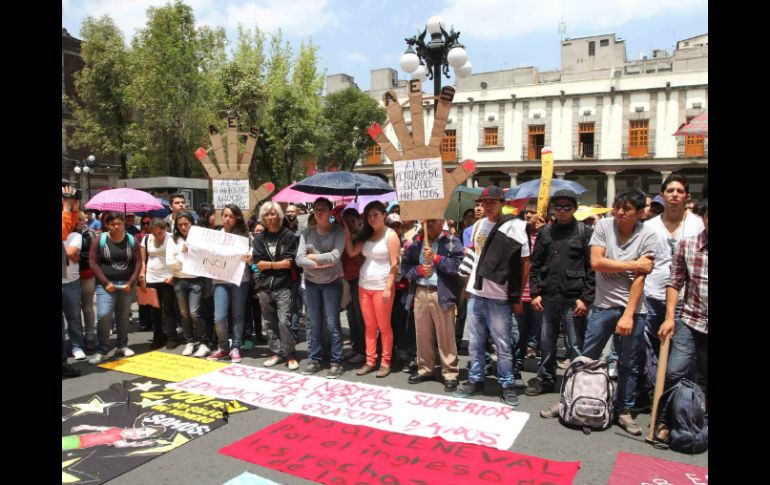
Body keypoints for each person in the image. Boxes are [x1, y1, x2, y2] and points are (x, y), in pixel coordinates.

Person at [579, 187, 657, 435]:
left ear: (640, 213)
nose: (620, 212)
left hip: (634, 309)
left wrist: (628, 314)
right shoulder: (604, 226)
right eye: (617, 207)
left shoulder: (648, 235)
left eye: (627, 209)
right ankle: (575, 399)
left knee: (629, 364)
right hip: (603, 306)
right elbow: (596, 262)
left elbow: (640, 280)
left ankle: (624, 410)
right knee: (587, 357)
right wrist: (633, 264)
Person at [453, 186, 529, 407]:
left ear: (502, 202)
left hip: (500, 295)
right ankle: (476, 379)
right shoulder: (477, 225)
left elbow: (525, 263)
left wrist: (517, 297)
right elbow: (473, 258)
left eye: (491, 202)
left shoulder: (514, 226)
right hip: (477, 293)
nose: (486, 206)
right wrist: (467, 290)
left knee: (502, 343)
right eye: (483, 202)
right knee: (475, 342)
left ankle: (507, 384)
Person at [525, 190, 595, 396]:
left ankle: (578, 384)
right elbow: (535, 265)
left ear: (574, 209)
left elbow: (592, 269)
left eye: (567, 207)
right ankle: (546, 377)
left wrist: (586, 299)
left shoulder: (585, 231)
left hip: (574, 299)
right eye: (558, 207)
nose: (562, 211)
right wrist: (535, 293)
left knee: (575, 344)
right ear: (552, 209)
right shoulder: (545, 232)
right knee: (546, 342)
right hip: (548, 297)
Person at [642, 174, 703, 400]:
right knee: (649, 348)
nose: (675, 195)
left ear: (687, 196)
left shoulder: (697, 224)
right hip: (652, 295)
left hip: (686, 300)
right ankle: (651, 392)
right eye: (670, 191)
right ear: (663, 194)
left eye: (679, 191)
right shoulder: (649, 226)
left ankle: (678, 400)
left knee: (681, 355)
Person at [653, 199, 708, 442]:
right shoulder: (688, 245)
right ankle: (665, 419)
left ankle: (697, 422)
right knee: (674, 372)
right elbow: (675, 283)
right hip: (691, 320)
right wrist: (669, 318)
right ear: (703, 218)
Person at [402, 218, 464, 392]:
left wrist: (437, 259)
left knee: (446, 335)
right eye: (426, 221)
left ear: (441, 221)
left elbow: (459, 267)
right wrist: (419, 271)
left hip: (441, 293)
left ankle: (450, 372)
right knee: (422, 334)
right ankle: (425, 369)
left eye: (433, 221)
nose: (428, 224)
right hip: (421, 291)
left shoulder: (452, 241)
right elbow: (405, 267)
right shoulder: (416, 242)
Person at [343, 201, 401, 378]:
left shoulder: (390, 235)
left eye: (375, 214)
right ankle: (370, 361)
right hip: (364, 286)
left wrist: (388, 288)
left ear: (384, 215)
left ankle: (385, 362)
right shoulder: (366, 234)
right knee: (369, 326)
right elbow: (352, 252)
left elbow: (395, 264)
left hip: (382, 286)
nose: (372, 218)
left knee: (384, 327)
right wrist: (346, 229)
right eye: (369, 215)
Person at [296, 197, 346, 379]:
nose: (319, 212)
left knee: (333, 323)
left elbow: (335, 257)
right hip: (311, 283)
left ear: (330, 211)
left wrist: (313, 258)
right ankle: (315, 358)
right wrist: (320, 262)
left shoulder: (338, 231)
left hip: (332, 283)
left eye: (323, 209)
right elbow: (299, 259)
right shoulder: (306, 232)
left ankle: (337, 361)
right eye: (316, 209)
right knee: (314, 323)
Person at [88, 212, 142, 364]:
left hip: (126, 284)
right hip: (106, 285)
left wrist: (131, 283)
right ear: (107, 225)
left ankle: (122, 345)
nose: (116, 227)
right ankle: (102, 349)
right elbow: (93, 262)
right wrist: (106, 282)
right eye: (113, 224)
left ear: (124, 224)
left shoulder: (131, 240)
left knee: (123, 316)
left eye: (119, 224)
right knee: (104, 315)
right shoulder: (100, 240)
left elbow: (138, 262)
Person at [253, 202, 300, 370]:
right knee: (269, 322)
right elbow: (258, 264)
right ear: (262, 218)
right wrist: (274, 264)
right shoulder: (259, 238)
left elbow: (288, 263)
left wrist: (269, 264)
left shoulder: (288, 236)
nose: (270, 217)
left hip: (284, 285)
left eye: (273, 214)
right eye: (266, 214)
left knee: (284, 321)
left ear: (279, 216)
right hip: (265, 287)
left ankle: (290, 354)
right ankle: (275, 352)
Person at [205, 205, 254, 363]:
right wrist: (189, 250)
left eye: (230, 216)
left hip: (240, 280)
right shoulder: (215, 236)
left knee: (238, 314)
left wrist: (250, 256)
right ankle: (223, 347)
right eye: (224, 215)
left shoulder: (246, 236)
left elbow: (254, 252)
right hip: (220, 280)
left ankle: (236, 347)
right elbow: (203, 251)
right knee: (219, 317)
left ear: (237, 218)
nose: (227, 219)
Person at [166, 210, 211, 358]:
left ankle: (203, 342)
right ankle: (189, 341)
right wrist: (182, 254)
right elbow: (171, 263)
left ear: (192, 223)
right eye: (180, 225)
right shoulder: (173, 240)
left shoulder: (200, 239)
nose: (183, 227)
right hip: (179, 280)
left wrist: (183, 258)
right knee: (184, 314)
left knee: (194, 312)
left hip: (196, 280)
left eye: (186, 224)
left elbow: (205, 260)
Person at [139, 218, 178, 350]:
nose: (157, 236)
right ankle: (158, 336)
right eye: (154, 233)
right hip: (151, 278)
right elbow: (143, 260)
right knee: (155, 310)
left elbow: (179, 258)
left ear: (165, 229)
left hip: (167, 277)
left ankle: (171, 336)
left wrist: (173, 275)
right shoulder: (146, 239)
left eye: (160, 233)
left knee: (168, 309)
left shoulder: (172, 238)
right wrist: (142, 276)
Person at [518, 198, 547, 361]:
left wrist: (545, 231)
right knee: (518, 333)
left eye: (532, 212)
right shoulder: (520, 233)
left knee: (541, 330)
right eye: (526, 212)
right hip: (522, 292)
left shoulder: (547, 234)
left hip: (540, 292)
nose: (528, 215)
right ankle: (516, 365)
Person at [341, 208, 366, 365]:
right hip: (347, 279)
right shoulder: (342, 236)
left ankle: (363, 351)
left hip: (359, 279)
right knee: (351, 316)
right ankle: (356, 347)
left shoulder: (362, 236)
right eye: (346, 221)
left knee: (360, 317)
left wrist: (350, 237)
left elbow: (357, 258)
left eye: (352, 221)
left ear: (358, 220)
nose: (349, 224)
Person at [63, 219, 86, 361]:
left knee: (74, 317)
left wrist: (73, 256)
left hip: (71, 282)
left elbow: (72, 252)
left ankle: (77, 346)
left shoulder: (75, 236)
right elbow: (72, 255)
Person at [77, 212, 98, 352]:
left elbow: (94, 255)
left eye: (82, 218)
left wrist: (77, 255)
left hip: (87, 275)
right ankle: (77, 338)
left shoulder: (90, 234)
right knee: (72, 310)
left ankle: (90, 336)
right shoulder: (66, 232)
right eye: (78, 219)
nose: (82, 221)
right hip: (69, 277)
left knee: (87, 307)